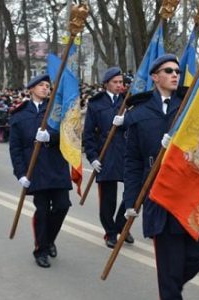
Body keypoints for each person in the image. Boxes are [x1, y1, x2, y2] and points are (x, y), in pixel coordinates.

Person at [123, 54, 199, 299]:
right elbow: (132, 161)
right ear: (155, 77)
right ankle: (170, 290)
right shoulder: (139, 112)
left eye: (177, 70)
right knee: (169, 264)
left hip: (191, 187)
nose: (175, 74)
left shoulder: (190, 106)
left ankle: (171, 286)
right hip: (159, 191)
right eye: (168, 70)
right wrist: (131, 201)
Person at [9, 74, 72, 268]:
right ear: (31, 89)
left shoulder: (55, 110)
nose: (46, 88)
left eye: (47, 85)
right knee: (43, 210)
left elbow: (69, 135)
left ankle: (49, 239)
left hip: (57, 166)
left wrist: (50, 138)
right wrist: (20, 174)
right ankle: (41, 250)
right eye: (41, 85)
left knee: (62, 206)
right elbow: (16, 148)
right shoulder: (19, 115)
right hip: (35, 170)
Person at [83, 67, 133, 248]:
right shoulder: (96, 104)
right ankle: (110, 232)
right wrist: (92, 157)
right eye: (116, 82)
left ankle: (121, 225)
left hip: (127, 154)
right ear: (106, 84)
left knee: (132, 195)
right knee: (108, 199)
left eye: (121, 82)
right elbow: (88, 134)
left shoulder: (129, 103)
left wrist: (126, 120)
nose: (120, 85)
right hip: (106, 154)